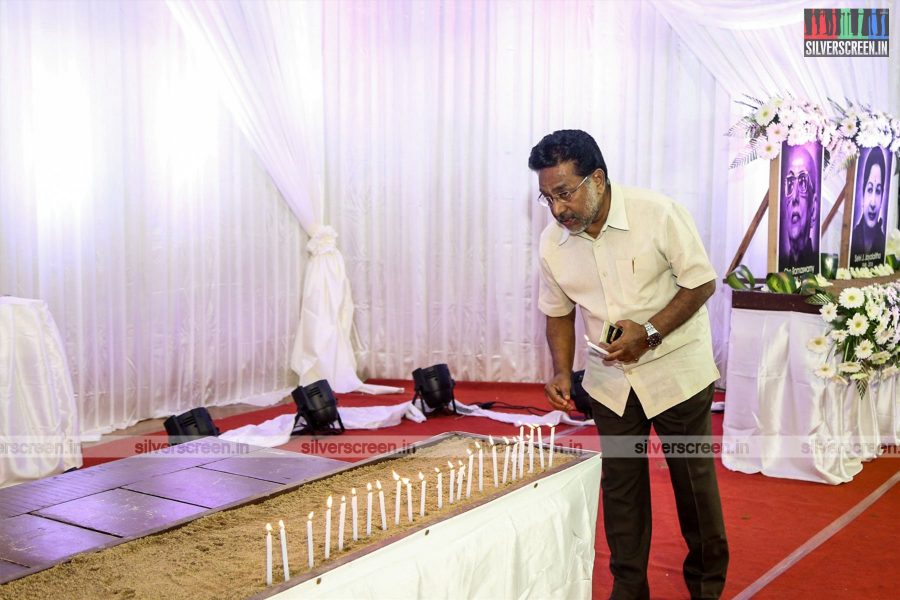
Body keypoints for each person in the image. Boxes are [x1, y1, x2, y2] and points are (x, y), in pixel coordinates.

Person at [529, 130, 728, 600]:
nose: (558, 209)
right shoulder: (552, 244)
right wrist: (561, 369)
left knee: (693, 487)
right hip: (610, 381)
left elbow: (700, 283)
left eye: (564, 193)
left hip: (677, 370)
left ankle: (706, 587)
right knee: (621, 490)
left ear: (597, 179)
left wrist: (652, 331)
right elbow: (557, 311)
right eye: (546, 197)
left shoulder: (657, 213)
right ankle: (629, 589)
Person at [779, 145, 819, 274]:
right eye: (790, 183)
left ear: (813, 209)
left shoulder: (816, 269)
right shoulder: (778, 267)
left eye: (802, 182)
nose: (795, 197)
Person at [851, 147, 887, 263]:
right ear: (863, 193)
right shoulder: (851, 239)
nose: (872, 203)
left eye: (878, 191)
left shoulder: (883, 242)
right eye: (870, 189)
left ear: (882, 198)